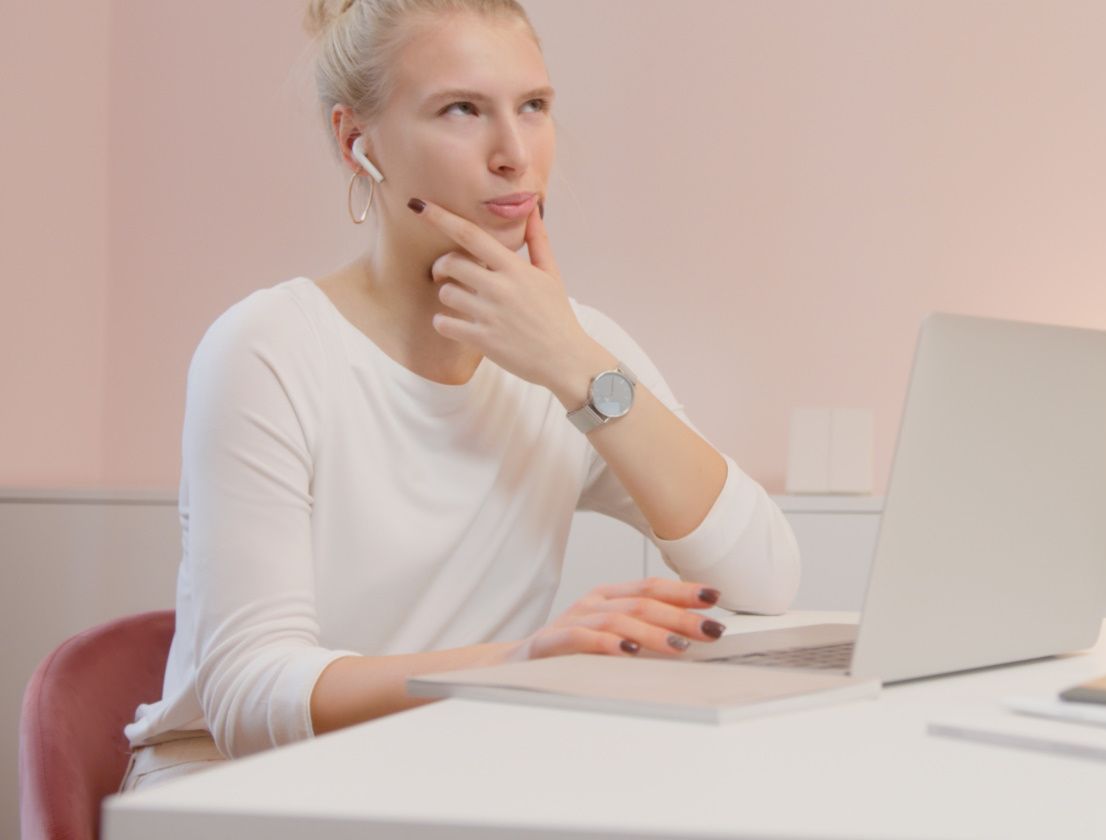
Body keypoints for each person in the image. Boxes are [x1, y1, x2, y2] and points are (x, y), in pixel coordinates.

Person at [118, 0, 801, 793]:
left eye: (534, 107)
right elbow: (246, 699)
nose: (515, 154)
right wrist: (521, 661)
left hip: (440, 782)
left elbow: (763, 578)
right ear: (355, 141)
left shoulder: (568, 347)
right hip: (230, 792)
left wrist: (577, 367)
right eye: (462, 110)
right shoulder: (267, 346)